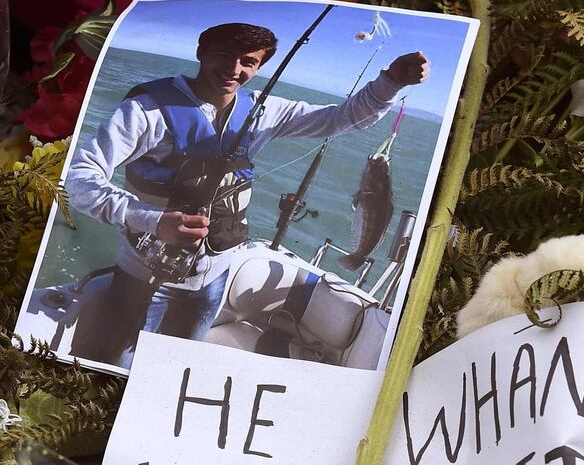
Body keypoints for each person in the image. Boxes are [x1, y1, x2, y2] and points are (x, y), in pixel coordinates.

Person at [66, 22, 429, 367]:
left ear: (259, 67)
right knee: (116, 365)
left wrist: (391, 82)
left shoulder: (263, 111)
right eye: (223, 55)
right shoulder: (146, 110)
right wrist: (153, 220)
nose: (233, 69)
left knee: (178, 364)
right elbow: (79, 178)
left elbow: (342, 117)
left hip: (214, 275)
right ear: (201, 53)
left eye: (248, 62)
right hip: (143, 274)